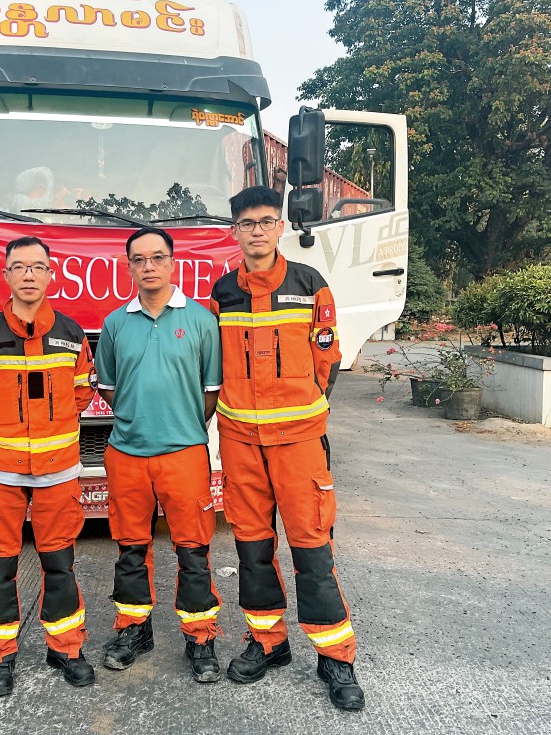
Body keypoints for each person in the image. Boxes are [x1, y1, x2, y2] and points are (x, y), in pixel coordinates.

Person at [210, 185, 365, 710]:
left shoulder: (310, 284)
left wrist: (307, 407)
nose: (256, 230)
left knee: (311, 549)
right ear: (235, 231)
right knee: (252, 550)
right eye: (246, 223)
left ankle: (335, 658)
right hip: (240, 443)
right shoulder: (222, 293)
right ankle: (267, 643)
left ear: (280, 227)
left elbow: (328, 356)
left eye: (266, 221)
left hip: (298, 442)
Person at [0, 236, 97, 697]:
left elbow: (82, 394)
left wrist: (51, 433)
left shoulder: (72, 334)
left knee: (60, 564)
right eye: (19, 267)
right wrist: (6, 435)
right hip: (1, 471)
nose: (29, 275)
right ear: (6, 276)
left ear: (51, 274)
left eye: (38, 267)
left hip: (58, 470)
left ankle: (67, 648)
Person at [94, 226, 224, 684]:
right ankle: (133, 630)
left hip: (185, 454)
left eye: (157, 258)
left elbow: (211, 392)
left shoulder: (203, 321)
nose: (148, 266)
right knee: (130, 550)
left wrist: (180, 425)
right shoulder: (114, 324)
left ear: (173, 263)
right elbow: (108, 388)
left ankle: (201, 637)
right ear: (128, 266)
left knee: (193, 550)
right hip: (126, 453)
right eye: (139, 259)